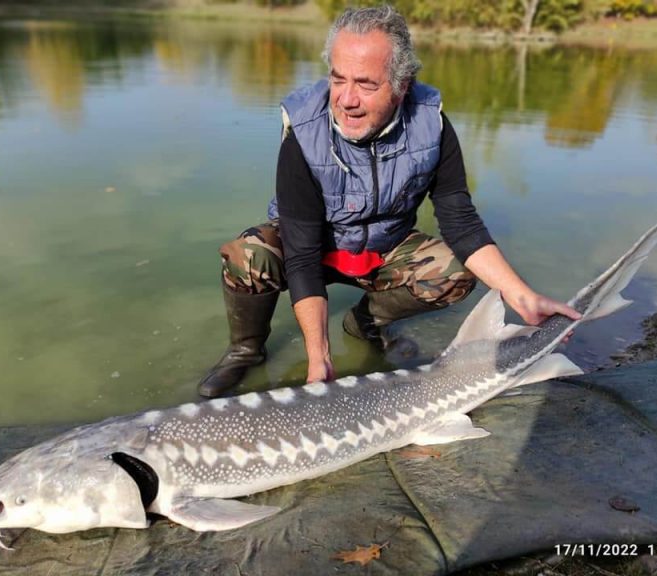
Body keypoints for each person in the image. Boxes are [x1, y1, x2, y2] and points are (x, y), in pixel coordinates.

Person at [198, 5, 580, 397]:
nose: (346, 100)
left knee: (453, 272)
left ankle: (364, 322)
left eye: (365, 84)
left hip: (383, 249)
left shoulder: (432, 126)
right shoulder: (303, 130)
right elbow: (300, 254)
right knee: (249, 255)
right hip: (310, 245)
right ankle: (246, 351)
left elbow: (461, 222)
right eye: (338, 78)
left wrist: (522, 295)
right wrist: (320, 359)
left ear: (402, 86)